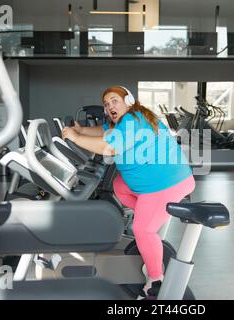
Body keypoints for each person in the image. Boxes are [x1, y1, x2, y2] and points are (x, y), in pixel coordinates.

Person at [62, 86, 195, 299]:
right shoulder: (126, 121)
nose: (109, 106)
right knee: (120, 185)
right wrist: (80, 131)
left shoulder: (134, 120)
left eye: (114, 101)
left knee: (142, 229)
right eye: (106, 104)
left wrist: (76, 139)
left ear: (129, 101)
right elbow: (104, 132)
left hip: (167, 183)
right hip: (158, 181)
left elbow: (110, 147)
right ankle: (151, 215)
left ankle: (155, 278)